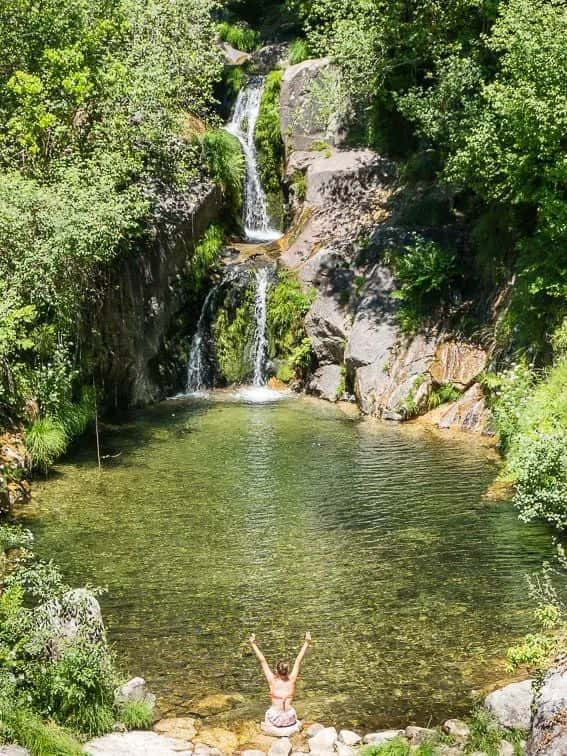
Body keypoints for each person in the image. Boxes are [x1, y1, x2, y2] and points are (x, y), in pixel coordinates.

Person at [248, 631, 312, 731]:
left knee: (269, 712)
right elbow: (298, 660)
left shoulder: (272, 681)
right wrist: (306, 643)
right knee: (290, 710)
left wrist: (253, 644)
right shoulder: (292, 680)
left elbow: (263, 661)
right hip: (290, 719)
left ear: (276, 671)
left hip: (275, 720)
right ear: (288, 671)